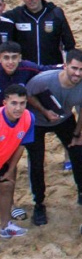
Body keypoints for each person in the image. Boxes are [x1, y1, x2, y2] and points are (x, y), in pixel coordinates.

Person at [24, 49, 82, 226]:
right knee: (36, 161)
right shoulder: (44, 79)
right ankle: (39, 203)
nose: (77, 73)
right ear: (65, 66)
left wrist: (77, 134)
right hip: (37, 121)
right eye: (74, 68)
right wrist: (44, 111)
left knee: (78, 151)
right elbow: (28, 95)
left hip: (64, 119)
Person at [4, 0, 75, 66]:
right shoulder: (16, 15)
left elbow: (69, 44)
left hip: (52, 67)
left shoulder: (55, 13)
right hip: (26, 68)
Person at [0, 84, 34, 239]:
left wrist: (10, 169)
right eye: (14, 103)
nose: (18, 108)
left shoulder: (28, 118)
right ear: (5, 103)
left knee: (7, 186)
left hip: (3, 161)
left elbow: (21, 145)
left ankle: (5, 226)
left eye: (22, 103)